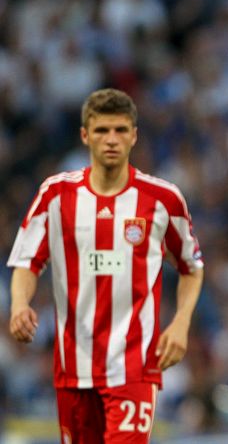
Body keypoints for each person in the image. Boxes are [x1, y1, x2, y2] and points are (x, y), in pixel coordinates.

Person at [7, 88, 204, 443]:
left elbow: (191, 266)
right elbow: (26, 261)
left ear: (134, 135)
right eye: (101, 131)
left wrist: (180, 324)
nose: (111, 139)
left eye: (120, 130)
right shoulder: (55, 195)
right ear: (85, 135)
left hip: (134, 366)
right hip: (73, 368)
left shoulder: (163, 199)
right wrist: (20, 304)